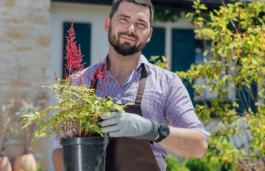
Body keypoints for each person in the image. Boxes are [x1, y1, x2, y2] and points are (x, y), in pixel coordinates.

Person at [52, 0, 210, 170]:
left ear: (149, 34)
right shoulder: (79, 83)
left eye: (140, 23)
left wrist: (152, 130)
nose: (131, 29)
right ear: (108, 24)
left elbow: (199, 146)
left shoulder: (167, 83)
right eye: (123, 19)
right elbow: (60, 149)